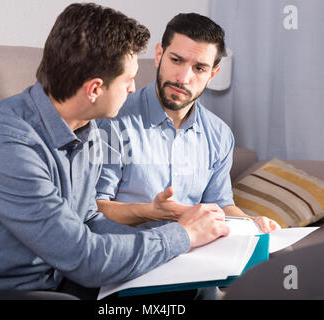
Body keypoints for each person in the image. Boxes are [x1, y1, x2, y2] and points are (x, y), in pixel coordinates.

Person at [0, 4, 229, 300]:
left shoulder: (88, 130)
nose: (134, 89)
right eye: (128, 80)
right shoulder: (5, 147)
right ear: (95, 89)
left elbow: (88, 221)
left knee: (192, 286)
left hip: (56, 277)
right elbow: (86, 260)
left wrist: (179, 250)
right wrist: (181, 237)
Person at [95, 13, 281, 232]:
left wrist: (252, 223)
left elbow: (220, 206)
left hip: (193, 254)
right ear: (159, 55)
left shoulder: (219, 134)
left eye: (199, 68)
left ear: (212, 74)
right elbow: (94, 209)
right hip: (130, 254)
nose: (183, 78)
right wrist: (148, 211)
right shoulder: (112, 121)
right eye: (176, 60)